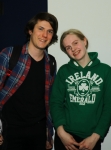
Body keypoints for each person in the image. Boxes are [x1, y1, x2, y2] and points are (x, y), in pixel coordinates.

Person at [0, 12, 58, 150]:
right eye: (40, 29)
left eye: (49, 31)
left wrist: (48, 133)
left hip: (37, 133)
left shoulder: (51, 62)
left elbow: (49, 102)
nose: (44, 35)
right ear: (30, 30)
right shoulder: (9, 54)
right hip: (10, 131)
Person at [50, 29, 111, 150]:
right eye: (68, 48)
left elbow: (108, 106)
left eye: (75, 43)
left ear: (84, 41)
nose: (73, 49)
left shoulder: (105, 71)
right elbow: (55, 102)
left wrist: (96, 136)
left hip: (92, 138)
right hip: (66, 137)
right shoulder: (64, 71)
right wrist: (60, 132)